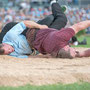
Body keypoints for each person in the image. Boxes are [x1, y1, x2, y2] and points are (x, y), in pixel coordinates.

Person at [0, 0, 67, 58]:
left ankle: (57, 10)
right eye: (8, 52)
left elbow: (25, 23)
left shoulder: (10, 36)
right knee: (62, 19)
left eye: (8, 49)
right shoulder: (12, 54)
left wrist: (40, 27)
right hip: (40, 43)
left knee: (50, 18)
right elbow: (28, 55)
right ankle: (55, 6)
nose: (10, 51)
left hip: (35, 34)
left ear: (4, 44)